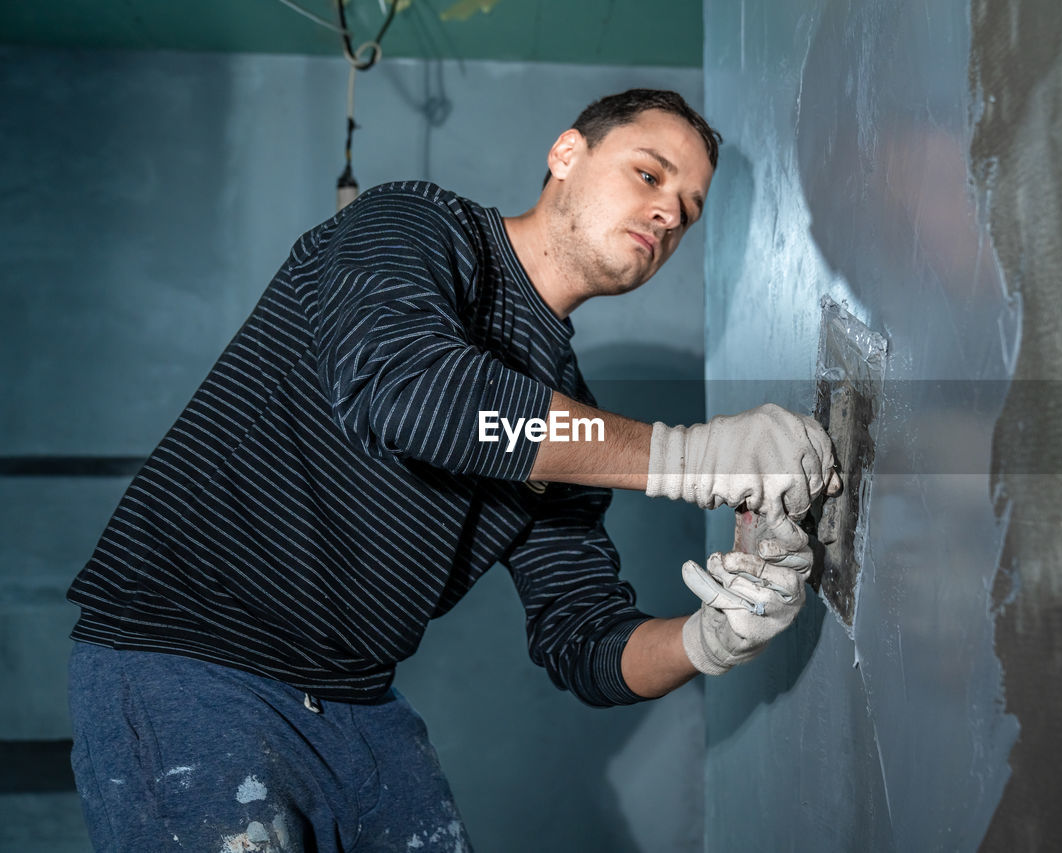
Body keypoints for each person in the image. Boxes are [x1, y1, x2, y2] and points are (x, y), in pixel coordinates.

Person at [65, 89, 837, 852]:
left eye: (690, 209)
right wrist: (688, 458)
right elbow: (412, 393)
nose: (670, 213)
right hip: (188, 661)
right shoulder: (415, 225)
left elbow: (587, 642)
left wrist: (714, 636)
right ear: (567, 154)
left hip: (357, 706)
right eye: (650, 174)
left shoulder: (575, 428)